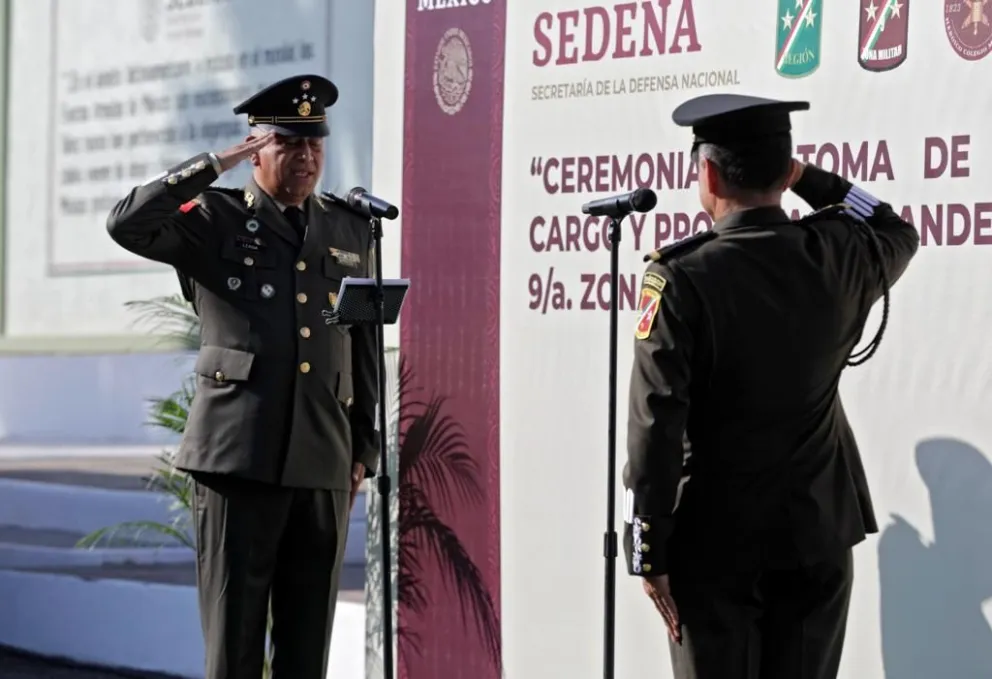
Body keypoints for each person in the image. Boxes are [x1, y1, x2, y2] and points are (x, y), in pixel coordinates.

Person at [622, 94, 919, 679]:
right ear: (786, 171)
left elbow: (656, 424)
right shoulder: (839, 251)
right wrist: (807, 178)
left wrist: (649, 550)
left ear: (706, 173)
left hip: (714, 546)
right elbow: (892, 225)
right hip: (817, 534)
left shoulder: (680, 278)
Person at [106, 74, 379, 679]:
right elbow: (127, 223)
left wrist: (363, 446)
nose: (306, 158)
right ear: (257, 147)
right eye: (288, 144)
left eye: (315, 145)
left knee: (307, 651)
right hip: (237, 460)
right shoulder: (213, 219)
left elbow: (361, 340)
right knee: (235, 647)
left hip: (322, 460)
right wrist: (213, 164)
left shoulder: (349, 229)